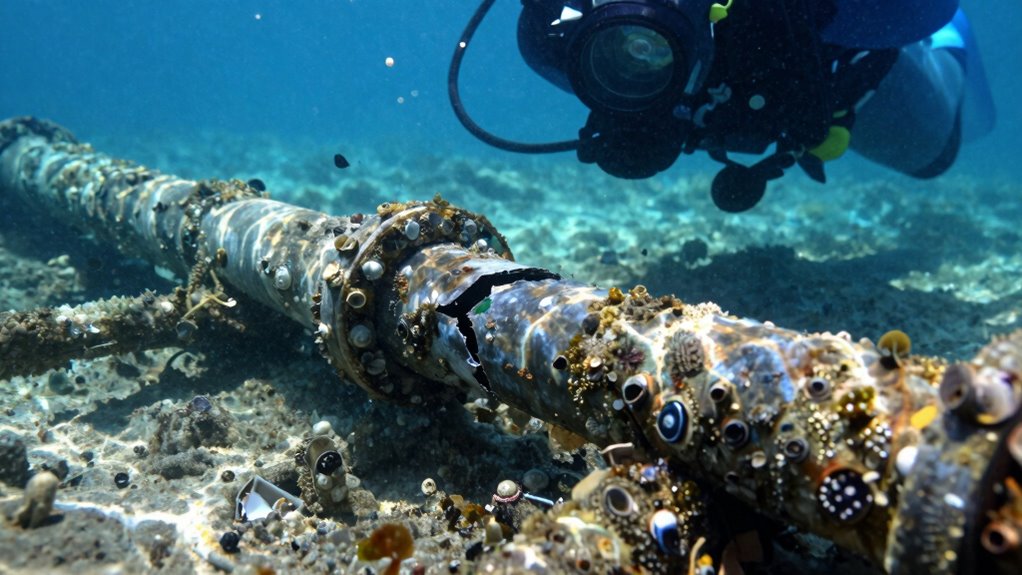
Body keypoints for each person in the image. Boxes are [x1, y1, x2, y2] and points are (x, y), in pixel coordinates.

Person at [449, 0, 996, 211]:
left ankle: (952, 44)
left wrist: (806, 23)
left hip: (841, 53)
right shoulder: (553, 39)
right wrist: (637, 114)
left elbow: (925, 9)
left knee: (934, 151)